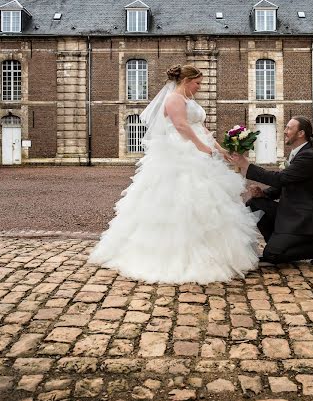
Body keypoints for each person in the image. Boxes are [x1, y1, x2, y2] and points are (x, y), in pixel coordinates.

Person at [88, 64, 259, 284]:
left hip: (198, 149)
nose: (199, 87)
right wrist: (201, 147)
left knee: (209, 201)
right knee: (181, 199)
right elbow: (181, 126)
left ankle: (213, 252)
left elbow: (202, 128)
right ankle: (176, 255)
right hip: (181, 153)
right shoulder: (174, 99)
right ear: (186, 81)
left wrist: (219, 149)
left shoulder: (189, 100)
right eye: (197, 83)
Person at [231, 116, 313, 265]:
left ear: (301, 133)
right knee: (255, 203)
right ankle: (277, 243)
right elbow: (286, 184)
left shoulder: (310, 156)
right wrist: (263, 193)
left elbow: (280, 179)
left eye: (289, 128)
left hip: (305, 219)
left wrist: (247, 165)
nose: (285, 131)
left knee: (272, 256)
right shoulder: (298, 153)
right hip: (290, 212)